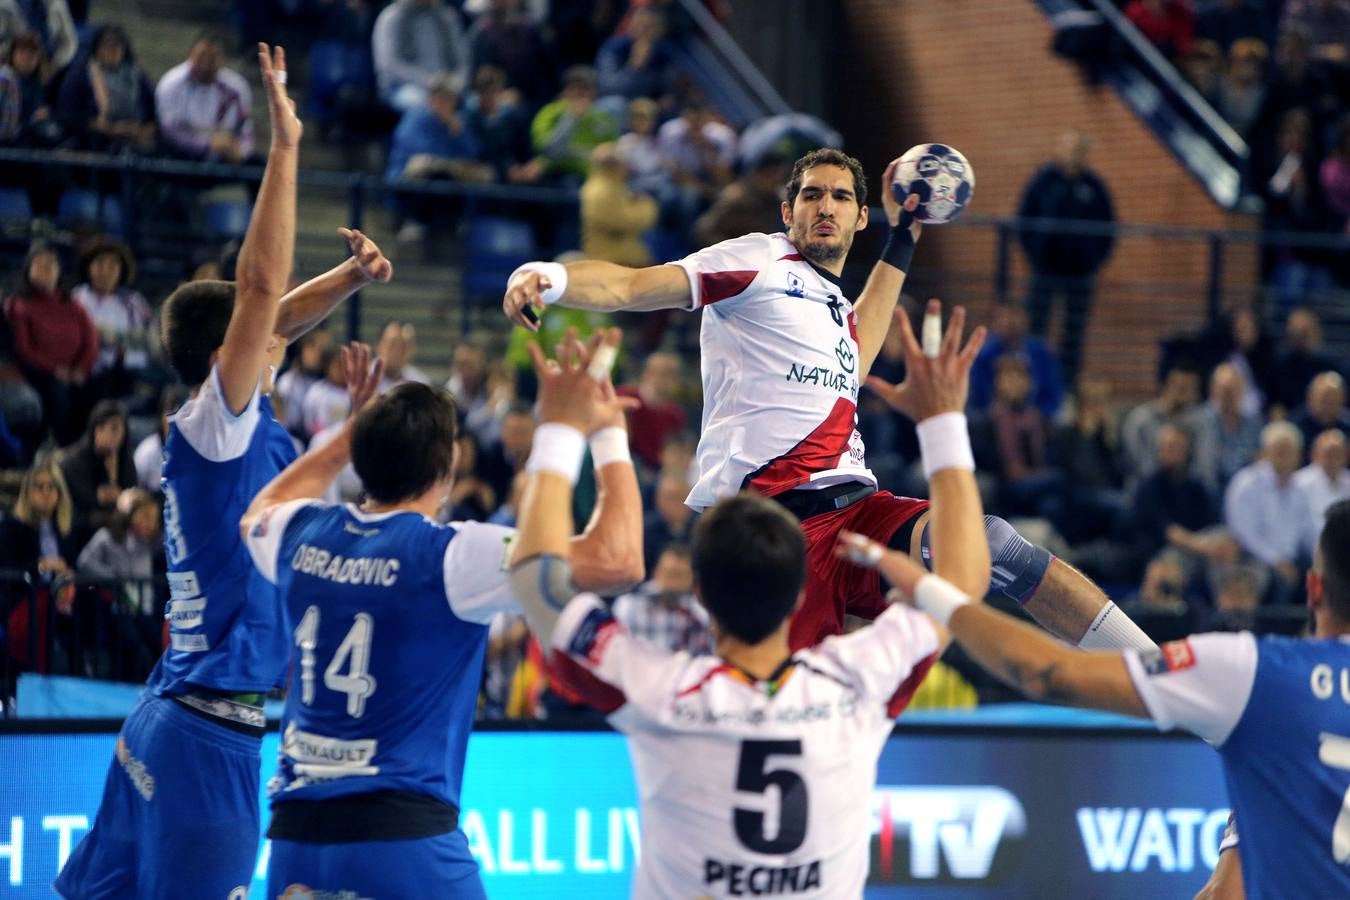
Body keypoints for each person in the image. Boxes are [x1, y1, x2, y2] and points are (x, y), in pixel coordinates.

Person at [503, 150, 1156, 654]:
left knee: (997, 545)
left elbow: (862, 345)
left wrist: (905, 237)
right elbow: (633, 284)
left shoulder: (835, 306)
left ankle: (1152, 670)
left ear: (859, 216)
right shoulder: (757, 262)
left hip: (857, 514)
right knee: (798, 715)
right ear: (787, 212)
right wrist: (550, 278)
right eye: (811, 195)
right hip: (767, 534)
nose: (826, 205)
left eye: (841, 197)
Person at [55, 47, 395, 900]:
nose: (278, 334)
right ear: (224, 355)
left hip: (169, 719)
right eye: (258, 336)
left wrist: (350, 281)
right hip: (209, 740)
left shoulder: (240, 437)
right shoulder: (217, 417)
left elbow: (267, 314)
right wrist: (284, 147)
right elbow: (257, 293)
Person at [503, 304, 990, 897]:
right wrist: (942, 421)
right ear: (798, 596)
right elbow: (964, 579)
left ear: (700, 593)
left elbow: (537, 587)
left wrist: (569, 432)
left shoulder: (662, 694)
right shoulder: (856, 682)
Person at [239, 332, 641, 898]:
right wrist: (608, 435)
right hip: (402, 839)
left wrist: (348, 437)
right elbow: (619, 561)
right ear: (447, 467)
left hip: (295, 843)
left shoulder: (300, 530)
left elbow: (258, 510)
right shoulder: (454, 553)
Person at [853, 495, 1350, 900]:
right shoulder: (1260, 700)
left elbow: (1046, 672)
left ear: (1312, 588)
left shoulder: (1258, 676)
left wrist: (935, 594)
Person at [1016, 129, 1116, 390]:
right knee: (1036, 328)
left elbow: (1108, 228)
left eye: (1080, 151)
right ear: (1060, 150)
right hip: (1045, 269)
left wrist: (1093, 260)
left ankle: (1066, 386)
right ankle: (1031, 382)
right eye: (1070, 149)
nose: (1074, 156)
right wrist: (1035, 254)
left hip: (1080, 274)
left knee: (1073, 334)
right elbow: (1024, 219)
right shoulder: (1043, 181)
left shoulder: (1094, 186)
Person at [4, 241, 99, 444]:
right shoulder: (18, 304)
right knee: (57, 392)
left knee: (95, 392)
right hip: (36, 373)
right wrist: (56, 370)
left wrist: (81, 369)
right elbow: (23, 349)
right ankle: (53, 446)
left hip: (75, 373)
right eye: (39, 264)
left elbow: (90, 340)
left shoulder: (73, 304)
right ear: (28, 270)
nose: (46, 269)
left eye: (51, 264)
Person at [72, 238, 158, 402]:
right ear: (89, 267)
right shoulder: (78, 298)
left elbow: (151, 337)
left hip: (137, 371)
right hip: (98, 373)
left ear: (121, 269)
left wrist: (113, 336)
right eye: (100, 263)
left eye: (112, 265)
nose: (106, 270)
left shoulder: (133, 300)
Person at [53, 23, 156, 153]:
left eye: (116, 46)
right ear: (97, 48)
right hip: (93, 141)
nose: (112, 51)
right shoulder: (81, 74)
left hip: (135, 137)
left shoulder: (137, 74)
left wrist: (143, 130)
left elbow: (154, 111)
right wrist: (109, 129)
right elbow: (68, 115)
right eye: (107, 46)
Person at [154, 31, 254, 163]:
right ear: (190, 55)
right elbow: (170, 131)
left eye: (213, 57)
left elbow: (246, 129)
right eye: (201, 56)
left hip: (224, 150)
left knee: (259, 164)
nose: (206, 64)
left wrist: (242, 151)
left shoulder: (237, 87)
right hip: (182, 152)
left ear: (222, 59)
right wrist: (207, 144)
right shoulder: (171, 84)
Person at [611, 543, 712, 654]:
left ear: (691, 580)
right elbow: (616, 651)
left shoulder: (700, 615)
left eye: (680, 575)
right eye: (669, 574)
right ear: (656, 573)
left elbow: (703, 659)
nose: (673, 582)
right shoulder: (629, 606)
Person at [372, 0, 471, 113]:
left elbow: (462, 59)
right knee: (426, 107)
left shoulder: (446, 16)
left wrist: (457, 83)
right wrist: (431, 82)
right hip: (404, 86)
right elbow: (391, 65)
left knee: (473, 106)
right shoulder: (390, 18)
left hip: (448, 86)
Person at [60, 398, 136, 535]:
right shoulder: (74, 461)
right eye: (112, 428)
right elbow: (82, 502)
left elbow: (131, 494)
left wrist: (113, 479)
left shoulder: (124, 456)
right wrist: (103, 496)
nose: (118, 435)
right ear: (97, 429)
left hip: (115, 520)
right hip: (82, 523)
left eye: (119, 429)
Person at [579, 142, 658, 267]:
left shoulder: (614, 186)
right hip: (612, 260)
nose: (627, 168)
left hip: (624, 256)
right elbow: (623, 223)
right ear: (614, 165)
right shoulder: (601, 190)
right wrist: (646, 206)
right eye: (624, 163)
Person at [1295, 429, 1350, 538]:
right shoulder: (1299, 483)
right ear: (1315, 455)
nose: (1333, 459)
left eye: (1337, 453)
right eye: (1328, 454)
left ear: (1346, 456)